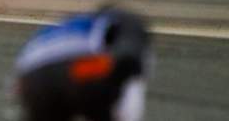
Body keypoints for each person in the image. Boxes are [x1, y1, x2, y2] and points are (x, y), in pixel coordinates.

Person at [13, 7, 152, 121]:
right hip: (80, 69)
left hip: (30, 75)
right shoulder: (127, 22)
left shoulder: (72, 23)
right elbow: (129, 58)